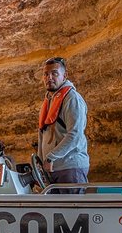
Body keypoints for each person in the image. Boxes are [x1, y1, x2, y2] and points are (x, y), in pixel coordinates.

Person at [37, 56, 89, 194]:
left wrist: (50, 157)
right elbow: (43, 133)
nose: (49, 78)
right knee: (55, 213)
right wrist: (40, 161)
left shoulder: (72, 98)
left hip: (70, 167)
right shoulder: (49, 100)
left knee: (72, 212)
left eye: (54, 73)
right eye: (46, 74)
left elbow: (75, 134)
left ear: (64, 75)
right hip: (53, 169)